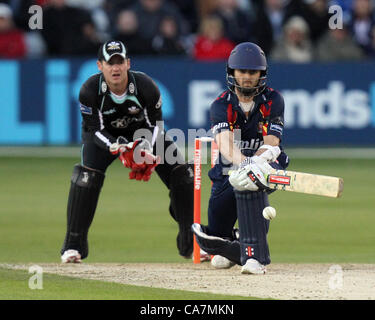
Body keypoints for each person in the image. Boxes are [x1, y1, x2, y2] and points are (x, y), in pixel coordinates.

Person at [61, 40, 194, 263]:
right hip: (105, 139)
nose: (115, 68)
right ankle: (73, 247)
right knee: (85, 178)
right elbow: (95, 131)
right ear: (99, 65)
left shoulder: (146, 86)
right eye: (110, 63)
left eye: (120, 62)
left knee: (183, 174)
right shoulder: (89, 90)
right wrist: (119, 147)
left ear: (128, 63)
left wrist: (142, 148)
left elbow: (156, 127)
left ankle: (190, 244)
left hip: (143, 135)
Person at [192, 42, 289, 274]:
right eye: (242, 71)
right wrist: (245, 164)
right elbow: (225, 144)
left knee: (252, 180)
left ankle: (254, 256)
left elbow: (272, 142)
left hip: (268, 162)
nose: (247, 77)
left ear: (261, 74)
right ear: (232, 73)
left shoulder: (273, 100)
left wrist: (255, 165)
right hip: (229, 168)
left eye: (252, 72)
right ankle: (236, 243)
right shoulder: (221, 105)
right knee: (216, 236)